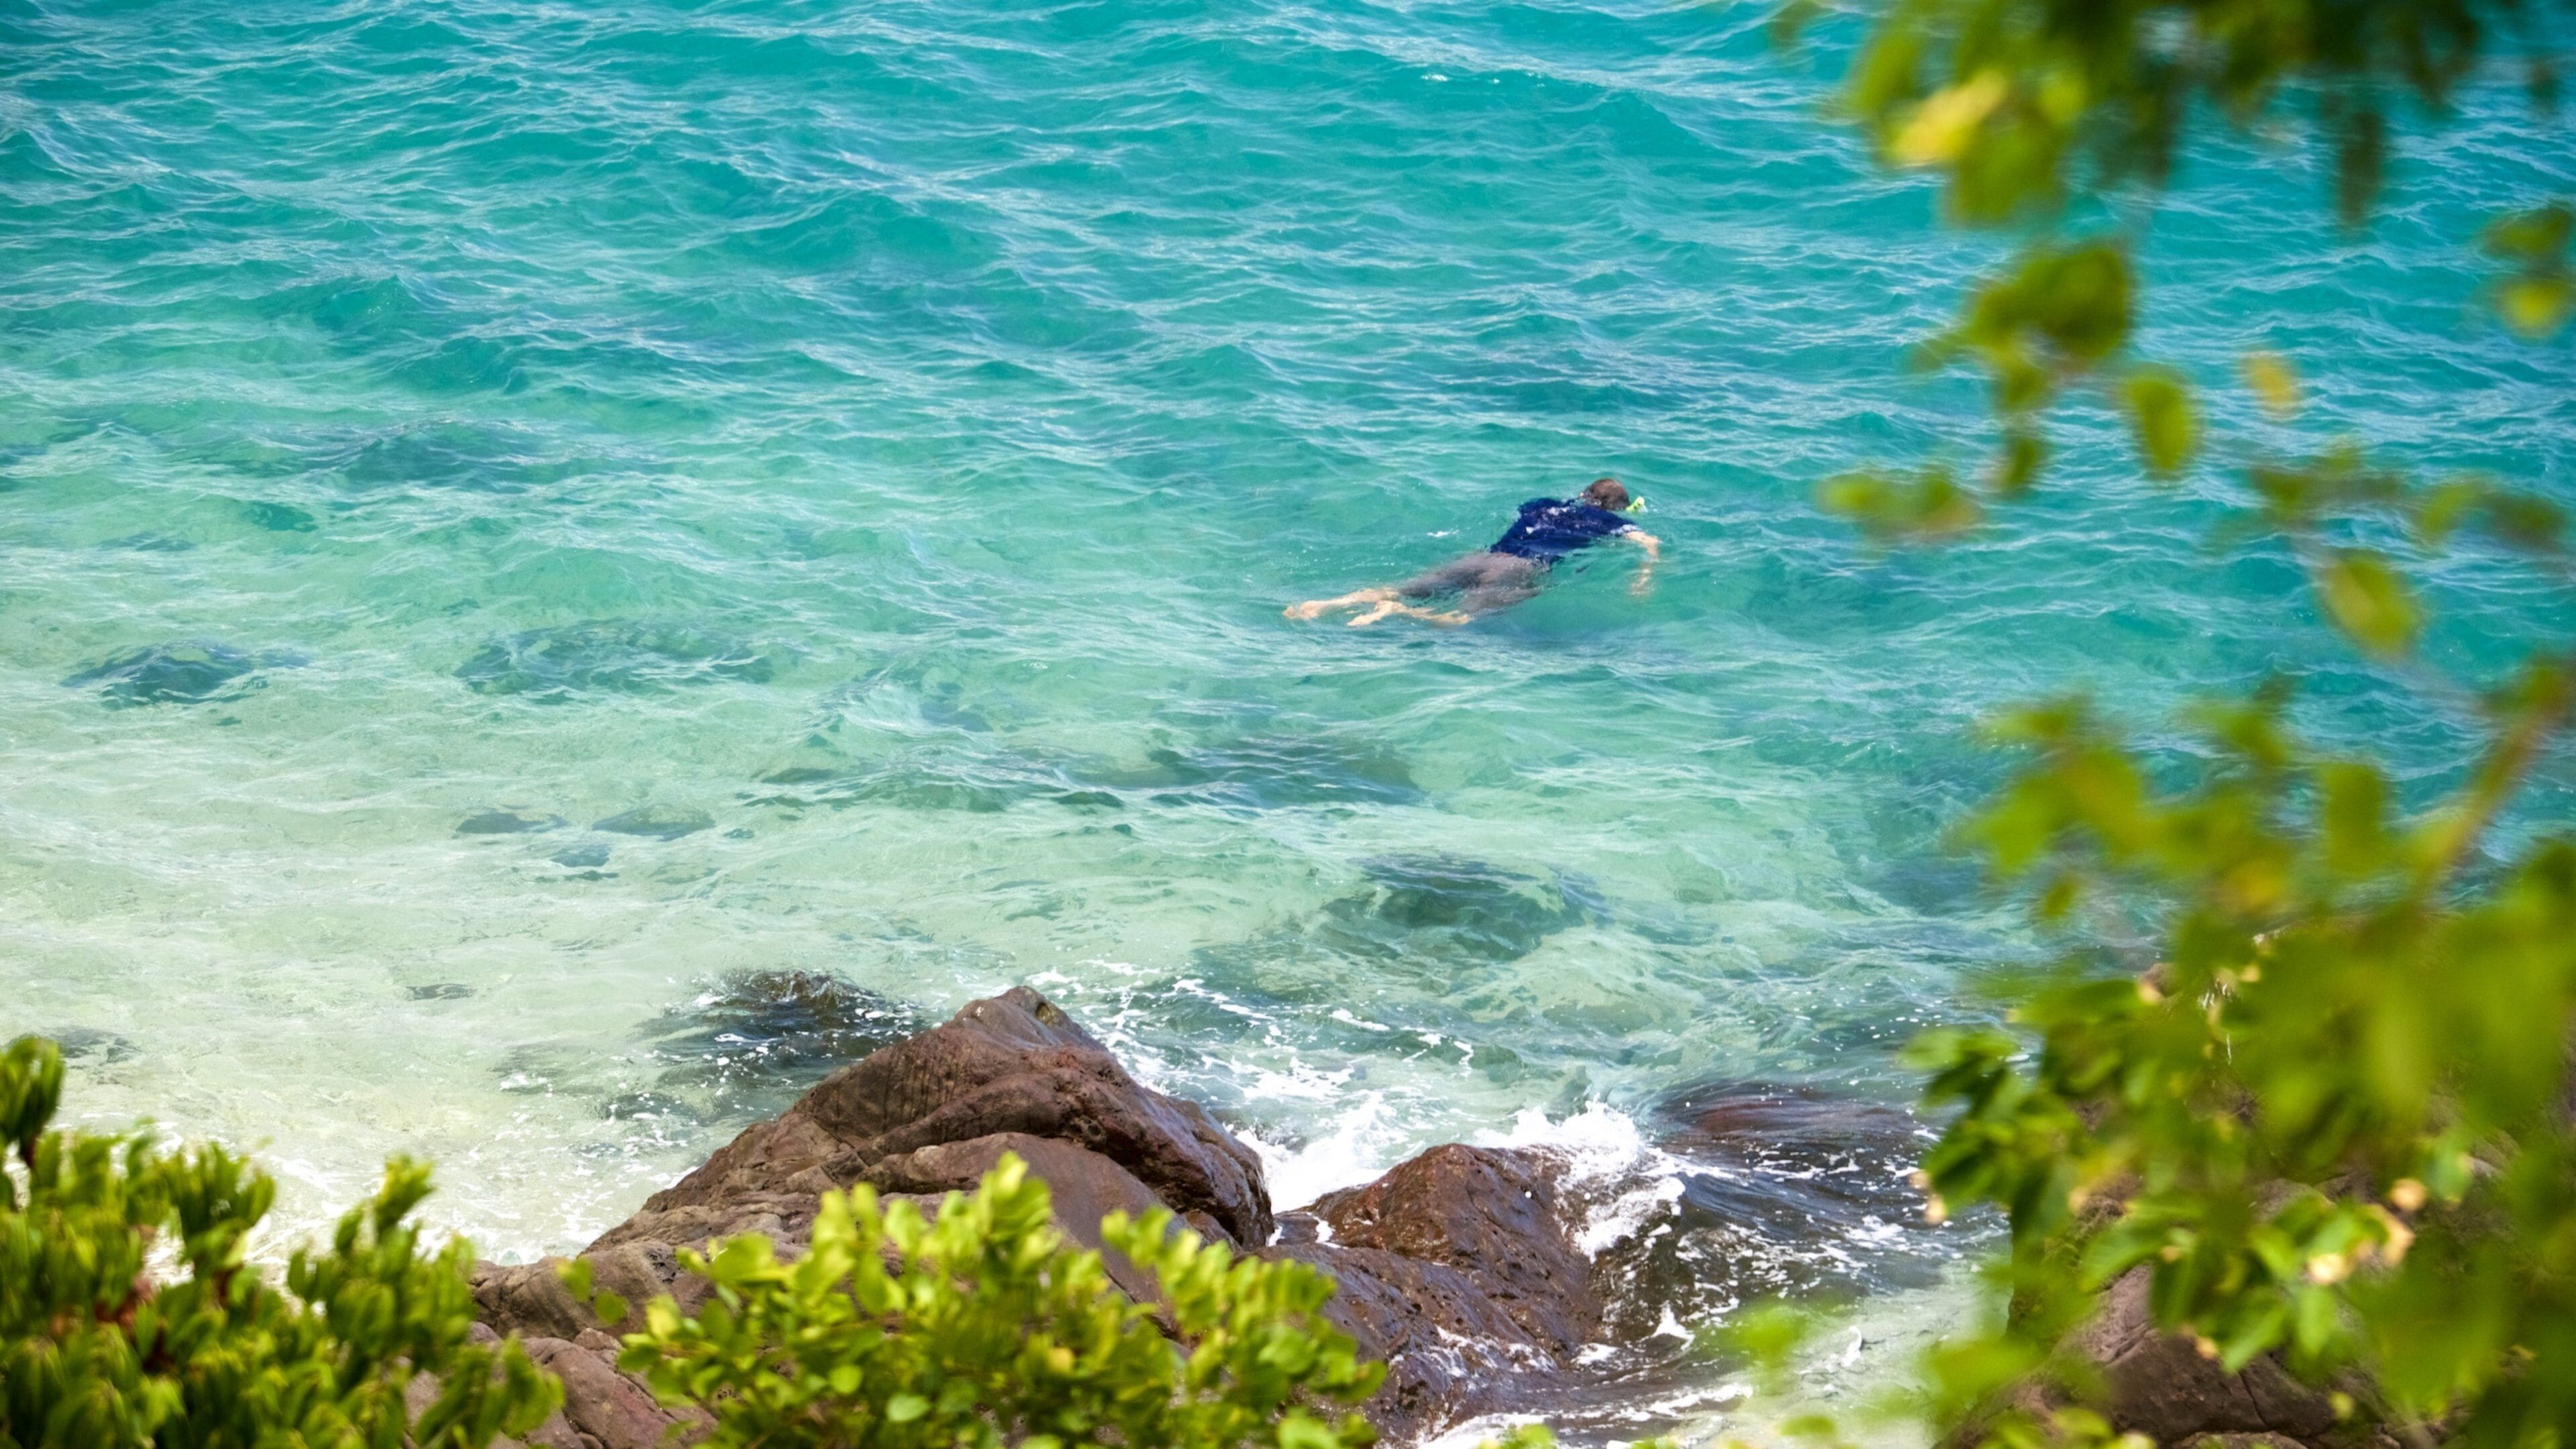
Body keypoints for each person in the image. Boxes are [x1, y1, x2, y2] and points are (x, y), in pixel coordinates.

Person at [1286, 478, 1662, 627]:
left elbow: (1520, 513)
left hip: (1486, 556)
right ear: (1614, 508)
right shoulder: (1606, 521)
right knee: (1461, 619)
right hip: (1521, 569)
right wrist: (1643, 577)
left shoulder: (1544, 505)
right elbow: (1650, 543)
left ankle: (1324, 604)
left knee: (1408, 586)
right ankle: (1396, 612)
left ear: (1583, 494)